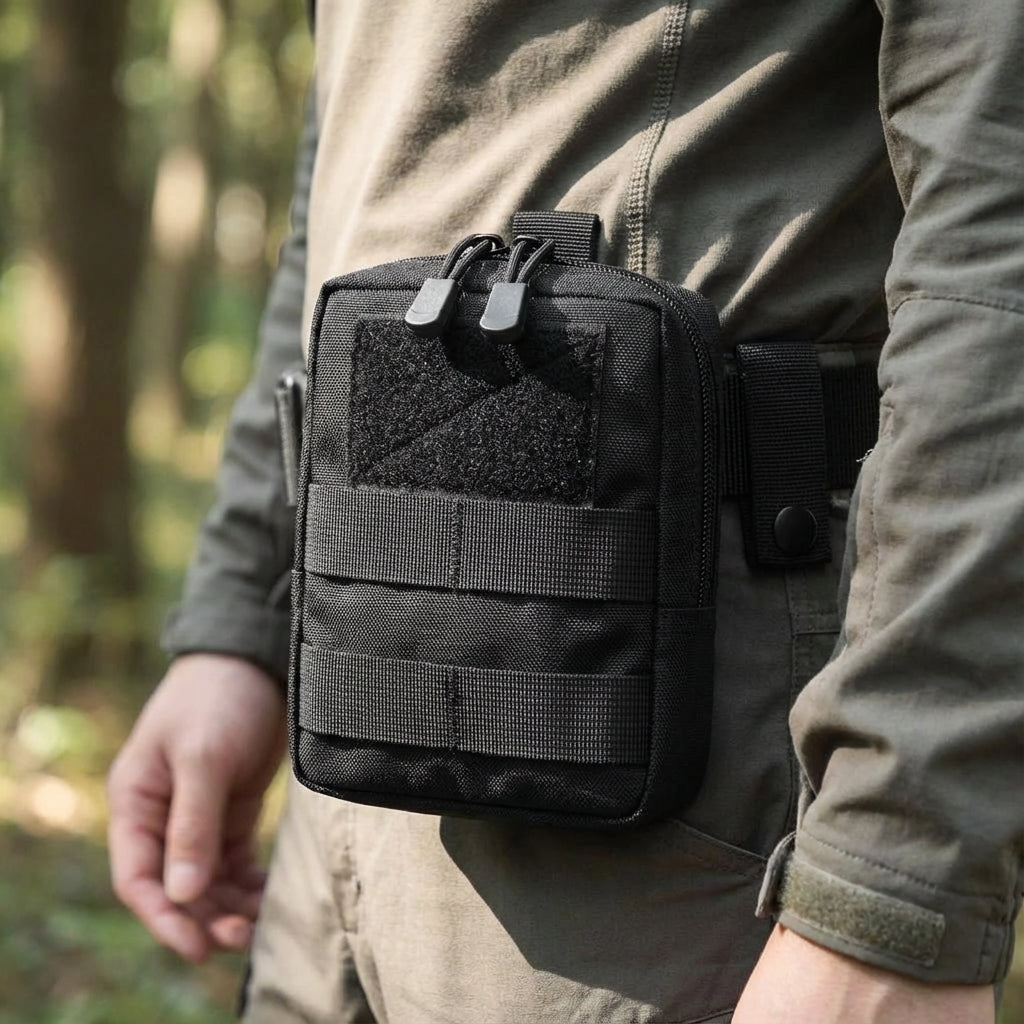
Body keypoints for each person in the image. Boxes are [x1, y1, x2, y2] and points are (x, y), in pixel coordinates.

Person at [108, 1, 1023, 1021]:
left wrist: (893, 882)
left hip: (664, 800)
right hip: (351, 745)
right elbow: (350, 158)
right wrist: (242, 617)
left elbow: (998, 227)